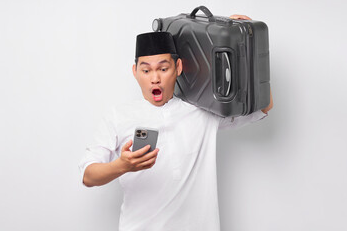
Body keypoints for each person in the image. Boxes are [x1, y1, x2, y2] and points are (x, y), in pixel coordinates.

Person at [79, 14, 273, 231]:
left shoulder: (203, 111)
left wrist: (251, 39)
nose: (155, 78)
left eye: (163, 69)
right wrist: (122, 165)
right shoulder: (118, 116)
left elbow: (263, 107)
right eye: (146, 70)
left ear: (178, 67)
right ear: (135, 72)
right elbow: (88, 176)